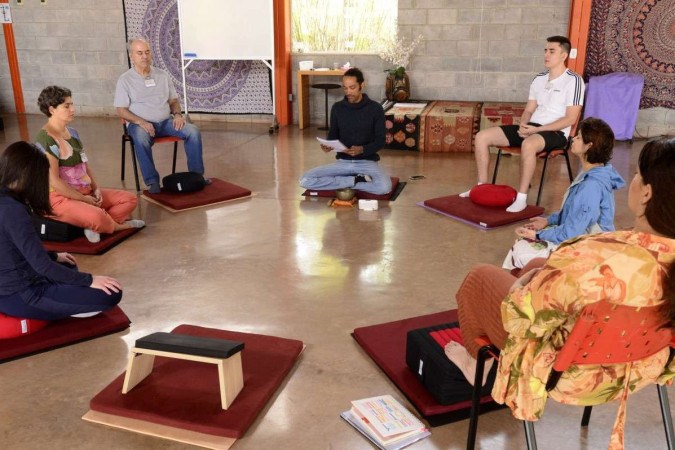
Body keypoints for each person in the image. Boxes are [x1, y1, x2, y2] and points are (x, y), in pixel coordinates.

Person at [453, 137, 675, 447]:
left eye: (638, 175)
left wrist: (522, 283)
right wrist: (538, 271)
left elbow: (520, 317)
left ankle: (476, 360)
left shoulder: (593, 256)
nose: (633, 182)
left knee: (479, 277)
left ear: (648, 193)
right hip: (638, 368)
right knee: (536, 261)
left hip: (567, 374)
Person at [0, 141, 123, 320]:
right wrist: (89, 280)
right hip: (23, 295)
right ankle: (70, 308)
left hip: (16, 281)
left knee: (67, 264)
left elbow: (19, 248)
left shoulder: (6, 199)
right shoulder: (13, 210)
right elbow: (41, 266)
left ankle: (67, 296)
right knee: (112, 293)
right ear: (28, 175)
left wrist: (54, 256)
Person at [461, 36, 584, 212]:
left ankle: (521, 198)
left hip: (556, 133)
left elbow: (570, 119)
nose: (546, 55)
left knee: (528, 144)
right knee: (482, 137)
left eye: (551, 51)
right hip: (532, 127)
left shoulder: (574, 80)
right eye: (545, 50)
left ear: (564, 55)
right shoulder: (539, 78)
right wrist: (523, 125)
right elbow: (528, 110)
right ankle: (481, 187)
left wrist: (537, 130)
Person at [503, 118, 625, 270]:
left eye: (579, 137)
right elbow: (574, 213)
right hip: (584, 238)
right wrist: (548, 221)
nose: (574, 139)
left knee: (520, 252)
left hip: (590, 248)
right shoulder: (595, 171)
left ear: (589, 146)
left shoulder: (591, 185)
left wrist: (538, 235)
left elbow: (572, 232)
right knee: (523, 243)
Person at [35, 86, 144, 244]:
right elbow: (55, 182)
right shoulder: (45, 139)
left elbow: (84, 165)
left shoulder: (73, 132)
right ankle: (121, 226)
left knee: (129, 199)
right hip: (61, 198)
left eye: (72, 104)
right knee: (97, 215)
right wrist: (84, 200)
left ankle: (94, 226)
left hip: (84, 191)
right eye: (67, 106)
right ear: (52, 109)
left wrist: (96, 188)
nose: (73, 109)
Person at [114, 38, 207, 194]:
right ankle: (152, 182)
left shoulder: (162, 75)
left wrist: (177, 115)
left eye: (147, 52)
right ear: (132, 56)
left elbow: (173, 100)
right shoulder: (125, 80)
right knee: (141, 138)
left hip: (165, 122)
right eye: (139, 53)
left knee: (193, 131)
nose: (144, 56)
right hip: (140, 125)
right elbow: (121, 110)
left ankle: (197, 176)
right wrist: (140, 122)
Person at [299, 68, 391, 195]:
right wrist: (328, 145)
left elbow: (380, 141)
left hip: (367, 163)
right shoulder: (337, 108)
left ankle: (343, 183)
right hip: (343, 163)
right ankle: (354, 181)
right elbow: (333, 136)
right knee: (305, 180)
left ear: (362, 85)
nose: (348, 92)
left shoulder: (375, 109)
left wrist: (362, 149)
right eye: (345, 88)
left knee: (384, 187)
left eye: (352, 88)